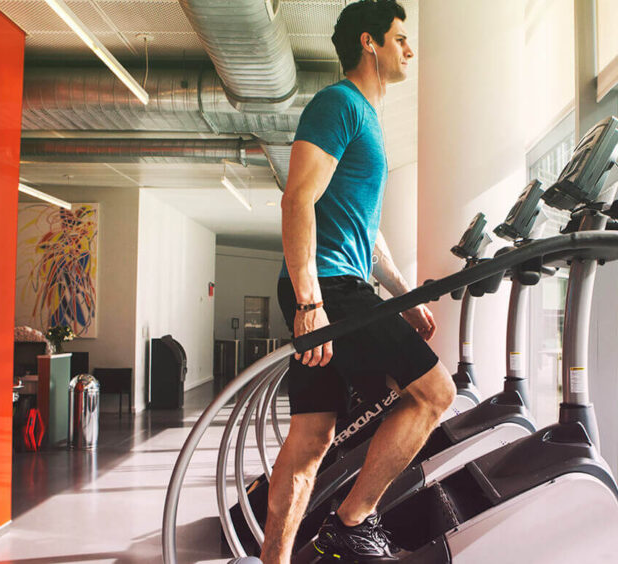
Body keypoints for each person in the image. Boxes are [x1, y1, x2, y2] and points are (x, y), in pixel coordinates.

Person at [261, 1, 456, 562]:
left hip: (336, 283)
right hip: (328, 286)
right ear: (370, 42)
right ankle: (353, 520)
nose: (410, 49)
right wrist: (309, 303)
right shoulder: (339, 104)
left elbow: (365, 231)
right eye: (400, 38)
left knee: (313, 436)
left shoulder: (369, 119)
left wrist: (404, 296)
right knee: (434, 393)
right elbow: (297, 199)